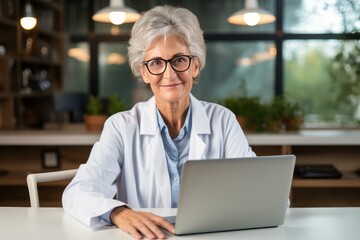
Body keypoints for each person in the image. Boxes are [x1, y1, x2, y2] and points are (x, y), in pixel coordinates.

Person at [62, 5, 256, 239]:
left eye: (179, 60)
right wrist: (118, 212)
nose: (169, 74)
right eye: (155, 63)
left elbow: (256, 192)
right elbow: (78, 192)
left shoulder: (223, 121)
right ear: (143, 72)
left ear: (195, 65)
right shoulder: (121, 127)